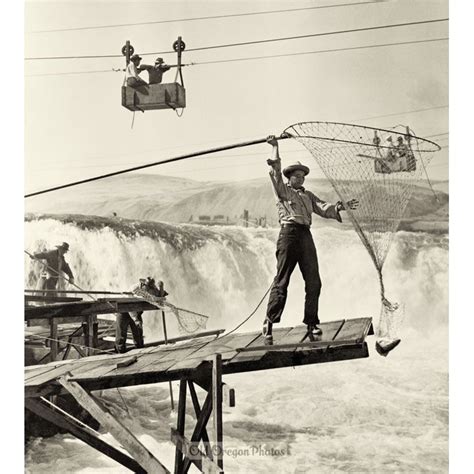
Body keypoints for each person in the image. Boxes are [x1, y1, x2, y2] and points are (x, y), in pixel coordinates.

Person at [264, 136, 359, 344]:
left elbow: (324, 207)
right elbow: (275, 171)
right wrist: (275, 147)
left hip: (305, 236)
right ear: (289, 178)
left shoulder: (308, 196)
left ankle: (311, 322)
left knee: (314, 281)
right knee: (282, 281)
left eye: (302, 176)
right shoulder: (283, 190)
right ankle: (269, 322)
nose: (300, 179)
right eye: (296, 176)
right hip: (288, 235)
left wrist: (340, 206)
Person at [115, 277, 168, 353]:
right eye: (148, 288)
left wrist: (161, 287)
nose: (149, 291)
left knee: (138, 334)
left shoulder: (152, 288)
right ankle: (120, 352)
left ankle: (140, 349)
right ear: (143, 285)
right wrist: (136, 319)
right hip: (124, 310)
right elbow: (129, 306)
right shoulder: (135, 289)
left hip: (137, 311)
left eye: (151, 288)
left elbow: (160, 296)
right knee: (121, 334)